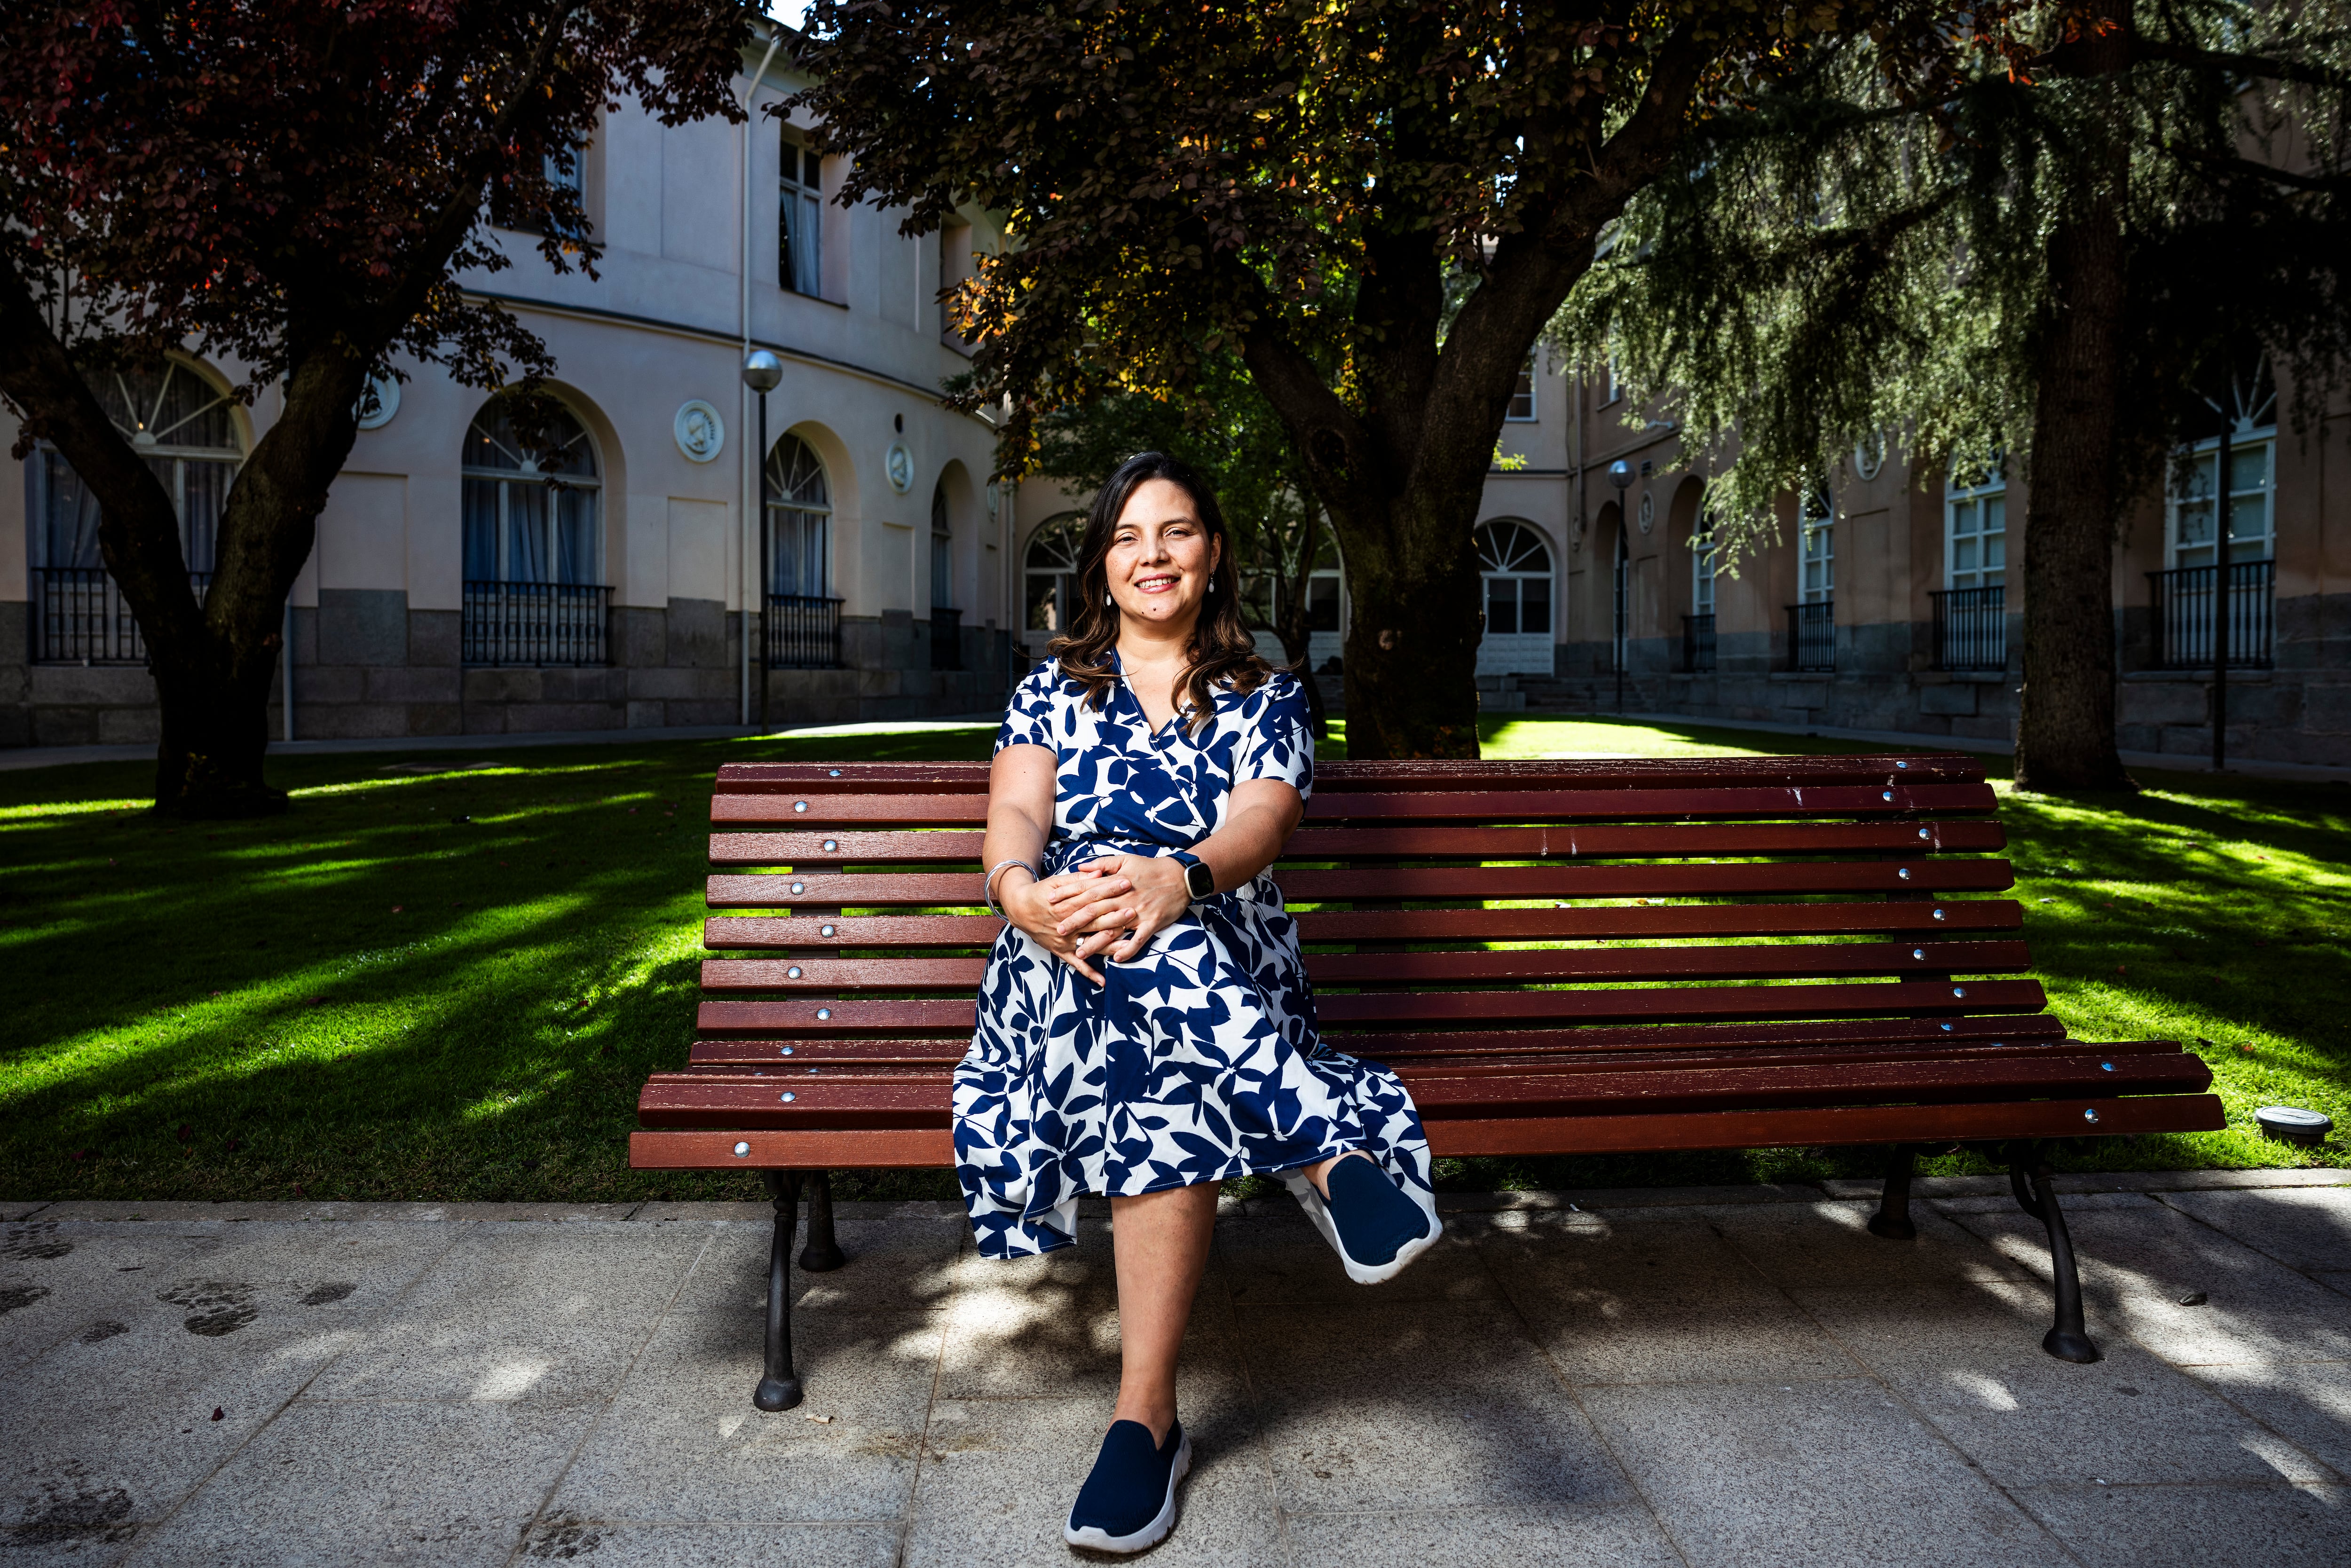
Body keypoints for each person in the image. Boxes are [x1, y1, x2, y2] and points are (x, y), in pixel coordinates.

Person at [958, 451, 1440, 1554]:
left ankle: (1146, 1422)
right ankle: (1326, 1155)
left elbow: (1262, 821)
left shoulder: (1266, 695)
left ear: (1213, 554)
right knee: (1121, 929)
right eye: (1127, 537)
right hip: (1057, 963)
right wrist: (1022, 898)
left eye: (1174, 532)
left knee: (1153, 988)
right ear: (1102, 564)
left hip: (1222, 949)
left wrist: (1184, 878)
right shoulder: (1047, 691)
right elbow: (1015, 817)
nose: (1151, 555)